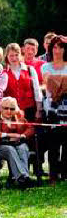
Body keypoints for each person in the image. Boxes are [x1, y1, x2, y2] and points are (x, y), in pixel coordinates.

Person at [0, 98, 35, 188]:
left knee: (23, 147)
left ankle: (23, 178)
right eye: (6, 108)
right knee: (10, 149)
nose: (9, 111)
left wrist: (22, 136)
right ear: (1, 108)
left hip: (17, 144)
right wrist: (7, 135)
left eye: (12, 109)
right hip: (1, 146)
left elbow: (31, 128)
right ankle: (22, 177)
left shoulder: (19, 117)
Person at [41, 34, 67, 183]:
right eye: (55, 47)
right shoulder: (45, 66)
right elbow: (49, 85)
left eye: (61, 47)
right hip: (52, 110)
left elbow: (53, 83)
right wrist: (62, 84)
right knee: (53, 144)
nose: (57, 50)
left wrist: (56, 82)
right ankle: (53, 175)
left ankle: (65, 174)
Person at [3, 42, 41, 124]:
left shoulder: (30, 69)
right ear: (7, 57)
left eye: (16, 55)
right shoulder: (4, 73)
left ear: (20, 55)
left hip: (29, 110)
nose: (14, 58)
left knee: (29, 135)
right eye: (11, 55)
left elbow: (37, 91)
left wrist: (38, 110)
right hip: (11, 112)